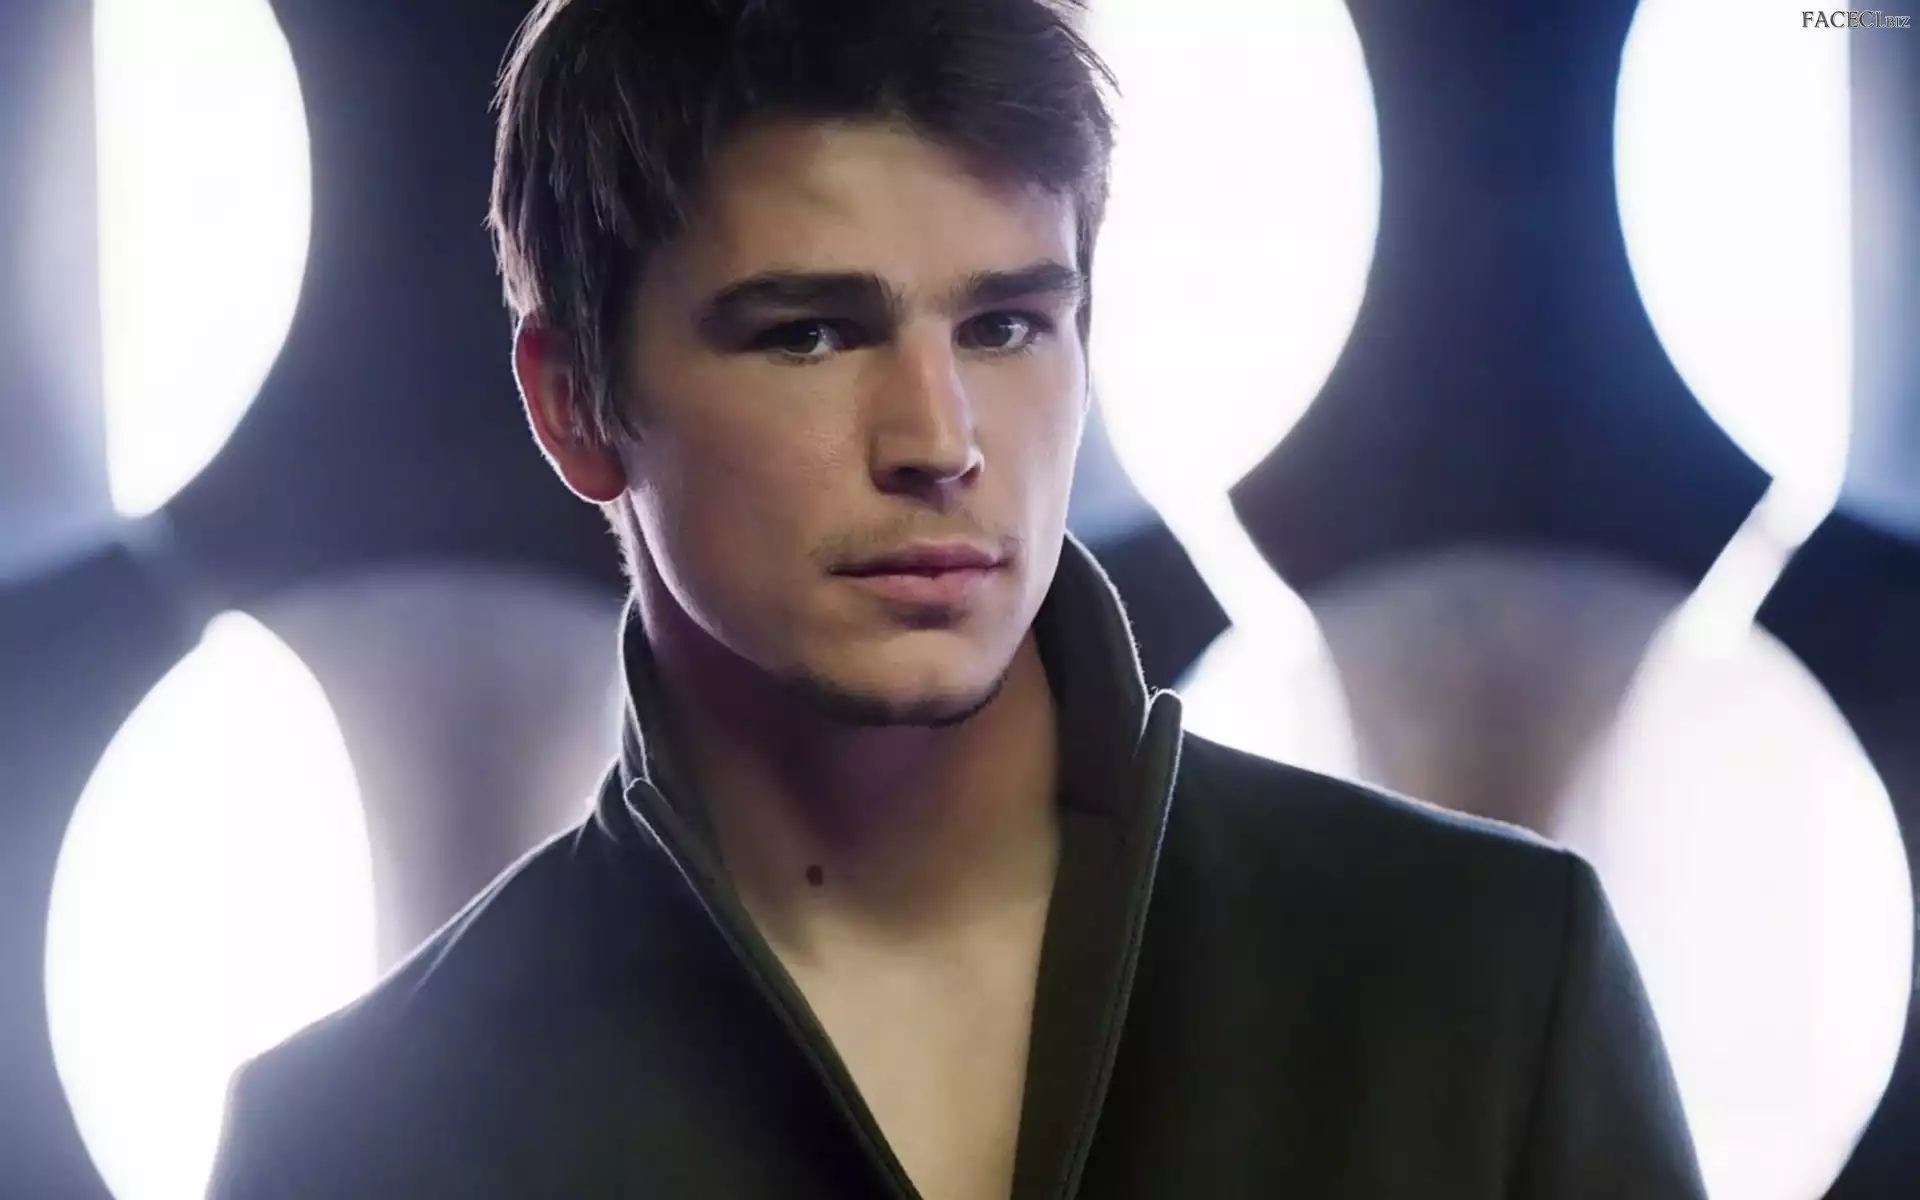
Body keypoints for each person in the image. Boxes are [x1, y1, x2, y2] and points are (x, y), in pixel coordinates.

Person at [207, 1, 1706, 1196]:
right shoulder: (356, 1144)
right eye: (809, 334)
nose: (939, 440)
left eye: (1005, 325)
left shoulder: (1492, 981)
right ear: (572, 405)